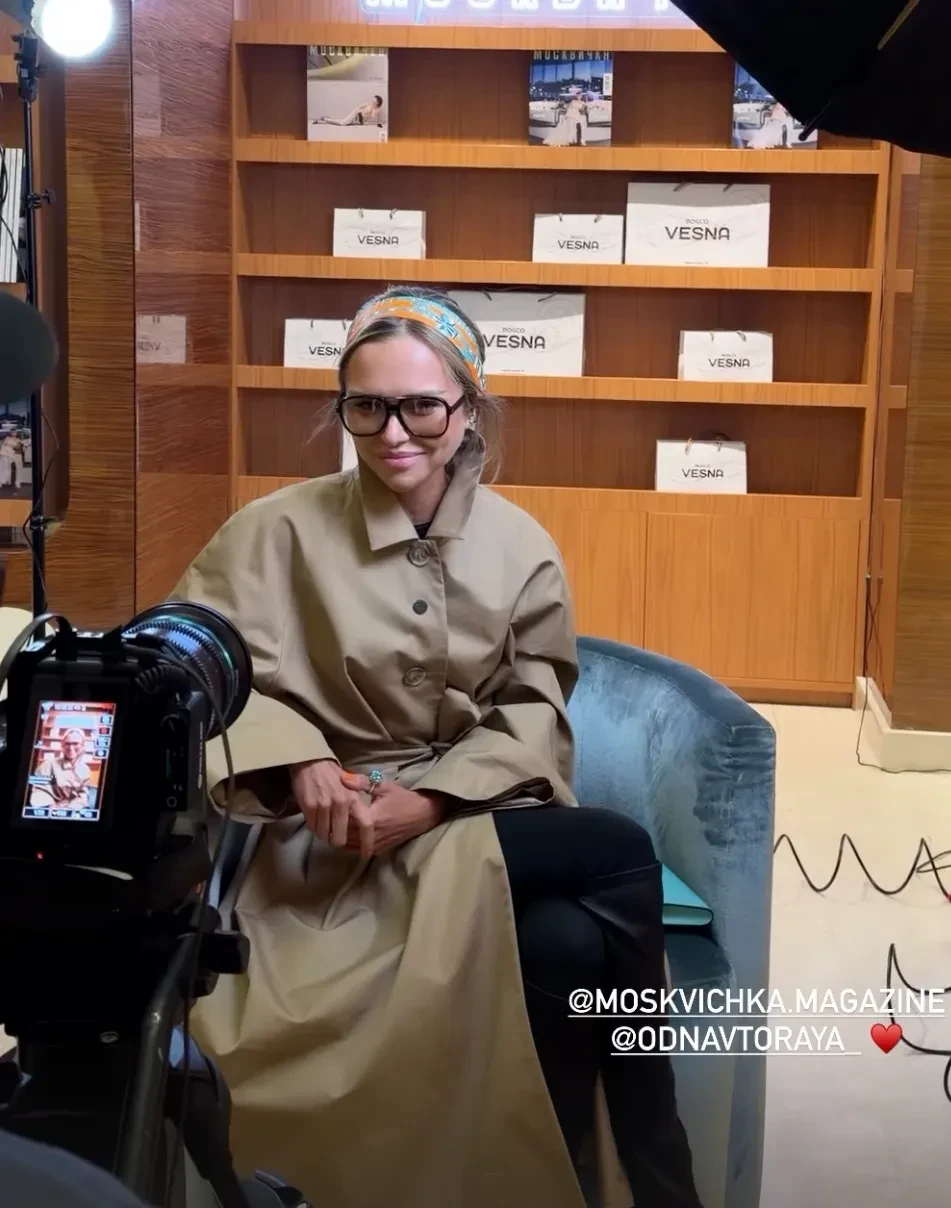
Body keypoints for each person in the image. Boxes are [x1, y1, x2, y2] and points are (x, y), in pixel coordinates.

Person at [174, 286, 704, 1208]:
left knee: (568, 944)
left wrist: (431, 800)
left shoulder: (521, 545)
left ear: (468, 408)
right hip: (316, 839)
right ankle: (660, 1183)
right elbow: (193, 671)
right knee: (614, 857)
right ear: (341, 408)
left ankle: (570, 1173)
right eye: (366, 407)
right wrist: (299, 760)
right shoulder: (269, 530)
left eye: (421, 406)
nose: (393, 434)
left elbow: (534, 701)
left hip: (469, 809)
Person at [29, 729, 91, 810]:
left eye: (75, 743)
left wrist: (70, 808)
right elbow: (37, 789)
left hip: (71, 809)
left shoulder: (85, 769)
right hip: (48, 807)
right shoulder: (48, 764)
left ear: (82, 746)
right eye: (67, 744)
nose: (71, 748)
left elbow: (83, 795)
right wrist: (51, 806)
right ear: (62, 745)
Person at [314, 95, 384, 126]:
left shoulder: (376, 110)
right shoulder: (367, 104)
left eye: (374, 100)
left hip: (359, 122)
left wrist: (379, 123)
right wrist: (355, 114)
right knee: (342, 123)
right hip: (355, 115)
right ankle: (325, 119)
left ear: (377, 102)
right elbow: (357, 108)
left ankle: (321, 121)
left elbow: (375, 117)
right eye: (373, 99)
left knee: (342, 122)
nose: (372, 100)